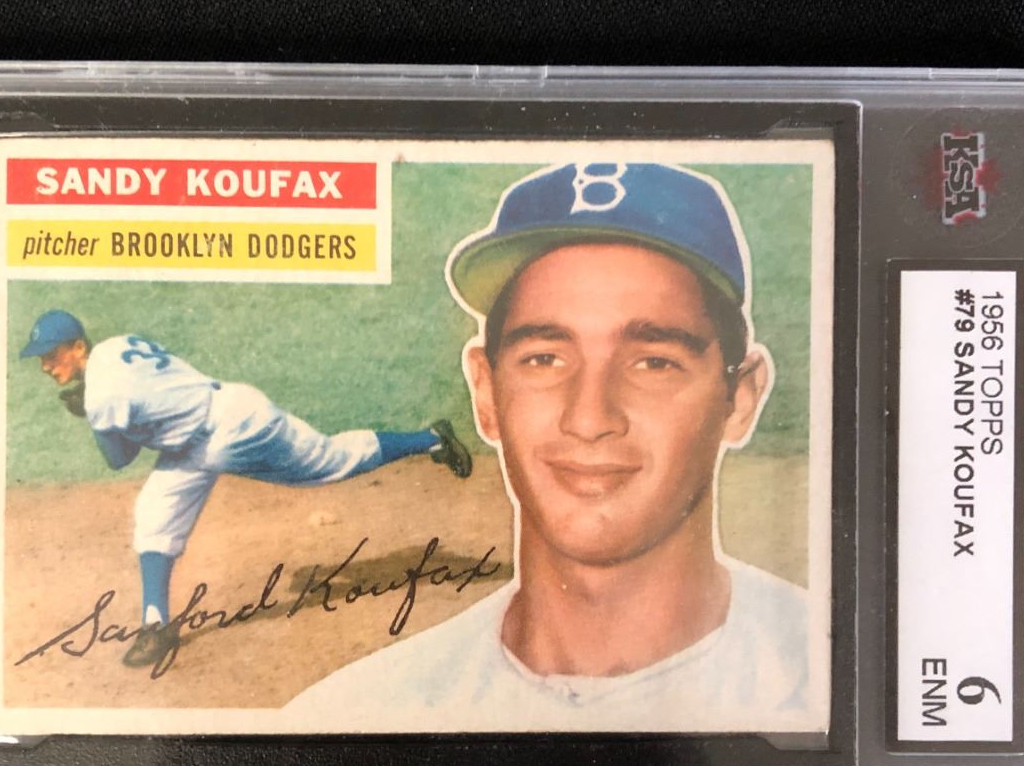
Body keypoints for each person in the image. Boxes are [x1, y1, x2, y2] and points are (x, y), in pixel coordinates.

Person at [289, 159, 819, 733]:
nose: (589, 418)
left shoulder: (835, 683)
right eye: (544, 358)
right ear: (486, 393)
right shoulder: (351, 721)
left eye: (653, 362)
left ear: (739, 399)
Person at [18, 310, 472, 669]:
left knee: (328, 460)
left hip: (235, 429)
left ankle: (431, 438)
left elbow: (119, 459)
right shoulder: (116, 346)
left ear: (78, 347)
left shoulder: (101, 397)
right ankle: (155, 625)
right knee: (153, 515)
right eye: (40, 357)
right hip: (198, 432)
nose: (45, 365)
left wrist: (92, 416)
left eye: (51, 354)